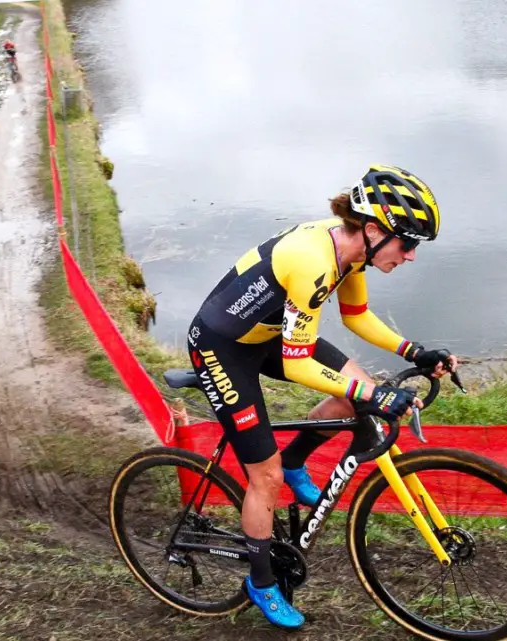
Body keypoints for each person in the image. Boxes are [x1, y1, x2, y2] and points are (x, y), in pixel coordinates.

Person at [185, 164, 459, 629]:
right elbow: (297, 363)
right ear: (373, 230)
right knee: (265, 479)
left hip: (267, 333)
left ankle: (297, 460)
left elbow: (356, 316)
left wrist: (414, 350)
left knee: (358, 398)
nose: (411, 255)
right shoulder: (315, 259)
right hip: (223, 348)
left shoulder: (352, 250)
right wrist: (374, 391)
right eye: (407, 243)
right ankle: (262, 581)